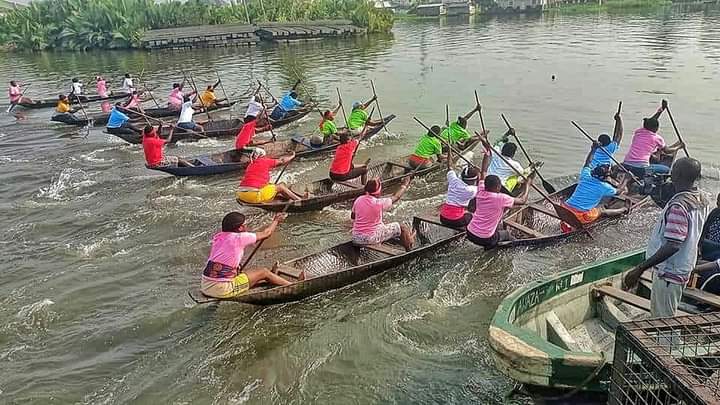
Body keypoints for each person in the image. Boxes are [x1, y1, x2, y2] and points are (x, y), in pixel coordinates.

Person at [623, 158, 708, 318]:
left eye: (673, 170)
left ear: (678, 174)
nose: (670, 173)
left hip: (669, 272)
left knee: (663, 321)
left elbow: (673, 245)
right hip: (684, 265)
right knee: (666, 314)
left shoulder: (679, 206)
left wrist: (640, 268)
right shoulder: (701, 198)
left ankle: (666, 344)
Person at [200, 212, 292, 299]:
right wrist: (276, 220)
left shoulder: (218, 237)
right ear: (240, 228)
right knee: (263, 272)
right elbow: (266, 233)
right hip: (222, 289)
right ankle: (291, 285)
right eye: (245, 224)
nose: (246, 226)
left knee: (245, 271)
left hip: (205, 285)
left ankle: (270, 278)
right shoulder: (240, 238)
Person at [466, 134, 535, 249]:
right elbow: (523, 200)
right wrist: (528, 184)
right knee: (507, 234)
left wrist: (487, 151)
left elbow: (483, 171)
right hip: (485, 238)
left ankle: (493, 235)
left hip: (469, 233)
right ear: (498, 188)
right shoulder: (502, 198)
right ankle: (517, 247)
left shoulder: (481, 189)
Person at [561, 143, 630, 232]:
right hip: (580, 216)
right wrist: (626, 179)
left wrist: (593, 149)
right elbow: (619, 191)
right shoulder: (604, 186)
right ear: (605, 177)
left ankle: (567, 223)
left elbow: (588, 162)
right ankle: (624, 210)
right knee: (601, 211)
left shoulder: (585, 175)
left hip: (565, 208)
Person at [622, 100, 685, 178]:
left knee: (653, 157)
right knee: (666, 169)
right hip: (641, 169)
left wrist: (661, 110)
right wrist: (679, 147)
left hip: (625, 165)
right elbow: (667, 151)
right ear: (655, 128)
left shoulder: (638, 132)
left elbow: (650, 121)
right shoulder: (657, 138)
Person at [351, 177, 416, 251]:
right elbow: (396, 197)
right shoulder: (378, 203)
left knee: (383, 226)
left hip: (356, 237)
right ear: (378, 192)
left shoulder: (359, 199)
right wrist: (405, 184)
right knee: (402, 227)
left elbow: (353, 216)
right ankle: (409, 247)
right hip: (370, 238)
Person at [236, 149, 302, 204]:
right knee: (281, 187)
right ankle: (300, 200)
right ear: (262, 155)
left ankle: (280, 198)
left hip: (241, 194)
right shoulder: (264, 161)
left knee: (275, 185)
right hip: (253, 194)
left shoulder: (250, 165)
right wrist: (292, 156)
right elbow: (282, 161)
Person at [439, 151, 481, 229]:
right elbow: (481, 185)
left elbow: (450, 167)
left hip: (443, 217)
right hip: (456, 220)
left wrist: (449, 151)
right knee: (472, 216)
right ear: (474, 180)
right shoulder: (471, 190)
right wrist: (479, 174)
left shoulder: (454, 180)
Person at [487, 127, 530, 194]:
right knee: (516, 177)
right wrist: (531, 168)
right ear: (513, 154)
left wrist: (507, 134)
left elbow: (497, 142)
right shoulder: (514, 164)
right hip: (500, 187)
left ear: (502, 150)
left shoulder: (495, 153)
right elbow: (523, 173)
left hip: (487, 180)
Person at [700, 193, 720, 261]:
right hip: (708, 246)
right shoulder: (715, 212)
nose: (717, 204)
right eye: (717, 201)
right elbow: (704, 231)